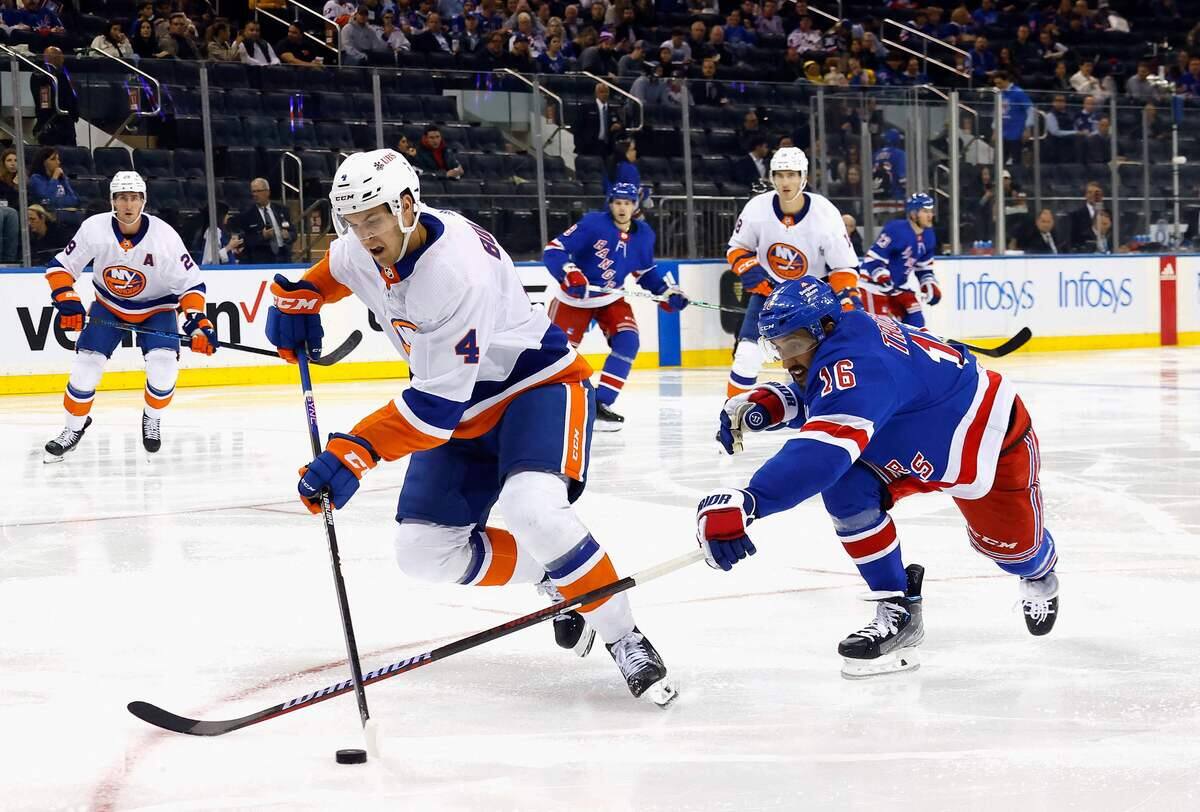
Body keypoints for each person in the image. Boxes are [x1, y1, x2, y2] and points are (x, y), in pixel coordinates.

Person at [263, 149, 677, 705]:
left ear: (406, 206)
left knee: (533, 509)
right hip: (461, 404)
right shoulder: (364, 243)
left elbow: (435, 409)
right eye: (352, 221)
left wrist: (355, 451)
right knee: (422, 552)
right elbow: (336, 268)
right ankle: (558, 574)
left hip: (536, 387)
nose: (362, 234)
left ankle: (624, 636)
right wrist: (302, 297)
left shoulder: (452, 273)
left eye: (373, 220)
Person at [697, 277, 1060, 679]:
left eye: (794, 343)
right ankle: (898, 608)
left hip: (985, 442)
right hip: (908, 437)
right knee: (847, 489)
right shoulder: (845, 333)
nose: (787, 360)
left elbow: (822, 453)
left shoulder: (862, 363)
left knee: (1016, 553)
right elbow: (832, 391)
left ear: (826, 327)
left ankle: (1039, 575)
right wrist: (775, 402)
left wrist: (751, 500)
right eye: (778, 347)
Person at [41, 172, 216, 462]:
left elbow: (191, 286)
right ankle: (73, 428)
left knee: (163, 369)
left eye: (134, 198)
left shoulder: (164, 237)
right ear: (112, 200)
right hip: (108, 305)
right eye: (122, 197)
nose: (128, 204)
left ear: (143, 201)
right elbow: (61, 267)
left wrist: (198, 323)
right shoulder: (95, 229)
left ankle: (152, 418)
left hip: (157, 308)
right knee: (85, 369)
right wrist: (67, 299)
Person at [542, 182, 687, 430]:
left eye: (627, 203)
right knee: (558, 354)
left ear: (635, 206)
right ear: (610, 204)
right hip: (574, 299)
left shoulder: (644, 235)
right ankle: (545, 405)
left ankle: (600, 404)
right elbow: (554, 250)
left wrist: (666, 293)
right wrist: (569, 273)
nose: (622, 208)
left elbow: (645, 273)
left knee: (628, 341)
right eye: (618, 202)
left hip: (610, 298)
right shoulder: (593, 224)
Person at [723, 147, 860, 398]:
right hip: (770, 294)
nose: (785, 182)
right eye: (779, 175)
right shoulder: (757, 208)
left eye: (791, 175)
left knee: (812, 361)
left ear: (803, 177)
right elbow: (737, 249)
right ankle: (733, 412)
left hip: (812, 298)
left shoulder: (825, 213)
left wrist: (847, 297)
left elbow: (843, 266)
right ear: (772, 177)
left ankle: (818, 410)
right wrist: (754, 276)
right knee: (746, 356)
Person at [859, 193, 941, 328]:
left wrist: (929, 285)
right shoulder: (895, 229)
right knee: (880, 329)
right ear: (913, 214)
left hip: (898, 287)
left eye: (931, 211)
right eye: (925, 211)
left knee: (916, 321)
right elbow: (872, 260)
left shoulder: (929, 235)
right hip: (874, 286)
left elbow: (924, 268)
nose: (930, 215)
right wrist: (882, 277)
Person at [233, 178, 295, 263]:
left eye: (258, 191)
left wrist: (288, 235)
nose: (255, 194)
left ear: (267, 192)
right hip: (261, 259)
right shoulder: (247, 214)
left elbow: (293, 232)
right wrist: (262, 236)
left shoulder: (282, 210)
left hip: (283, 256)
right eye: (253, 191)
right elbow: (245, 240)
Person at [31, 47, 79, 147]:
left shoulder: (61, 72)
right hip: (54, 123)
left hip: (65, 122)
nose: (63, 59)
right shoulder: (42, 74)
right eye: (61, 56)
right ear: (53, 56)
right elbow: (45, 101)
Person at [872, 128, 907, 201]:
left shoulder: (876, 154)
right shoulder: (899, 154)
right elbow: (902, 178)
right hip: (895, 196)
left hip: (877, 197)